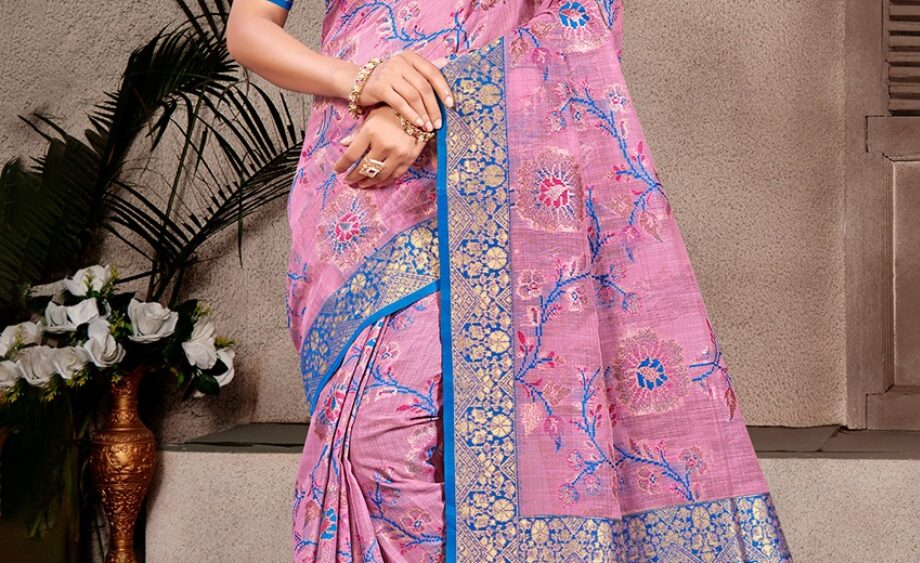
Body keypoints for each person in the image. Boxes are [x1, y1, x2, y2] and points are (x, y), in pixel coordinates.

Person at [226, 0, 793, 561]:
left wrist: (417, 108)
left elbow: (578, 20)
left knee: (416, 434)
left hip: (484, 178)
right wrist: (364, 81)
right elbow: (249, 29)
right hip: (356, 191)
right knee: (372, 444)